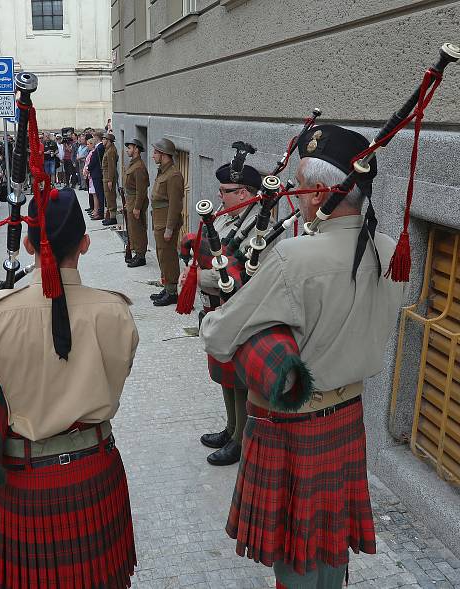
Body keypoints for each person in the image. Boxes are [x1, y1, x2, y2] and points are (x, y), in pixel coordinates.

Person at [201, 125, 405, 588]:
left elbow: (218, 335)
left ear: (317, 194)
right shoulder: (391, 250)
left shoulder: (295, 257)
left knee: (294, 558)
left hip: (289, 425)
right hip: (348, 415)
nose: (293, 192)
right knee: (330, 543)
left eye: (298, 184)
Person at [0, 187, 138, 589]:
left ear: (27, 243)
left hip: (24, 480)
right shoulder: (116, 311)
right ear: (85, 244)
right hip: (96, 470)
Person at [192, 160, 264, 467]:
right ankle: (231, 426)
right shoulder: (226, 219)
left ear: (246, 192)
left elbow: (239, 276)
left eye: (227, 190)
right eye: (220, 189)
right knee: (223, 371)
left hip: (240, 312)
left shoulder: (259, 229)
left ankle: (240, 439)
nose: (220, 196)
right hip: (218, 309)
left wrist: (197, 277)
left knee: (238, 376)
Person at [148, 138, 183, 307]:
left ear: (164, 155)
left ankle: (172, 292)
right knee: (162, 255)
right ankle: (167, 285)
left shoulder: (174, 175)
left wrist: (169, 228)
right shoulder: (163, 171)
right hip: (159, 221)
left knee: (168, 256)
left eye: (156, 152)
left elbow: (175, 205)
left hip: (166, 224)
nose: (153, 155)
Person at [123, 139, 150, 268]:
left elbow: (141, 190)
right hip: (131, 200)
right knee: (133, 228)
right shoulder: (133, 163)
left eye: (130, 148)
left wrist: (137, 207)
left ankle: (141, 256)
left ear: (136, 149)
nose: (128, 150)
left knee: (138, 229)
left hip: (136, 201)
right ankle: (137, 253)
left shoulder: (139, 167)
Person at [101, 133, 119, 226]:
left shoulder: (111, 151)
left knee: (110, 197)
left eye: (104, 139)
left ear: (108, 141)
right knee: (108, 197)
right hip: (106, 176)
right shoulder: (108, 150)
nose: (102, 141)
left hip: (109, 177)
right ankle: (110, 216)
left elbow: (111, 167)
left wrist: (110, 180)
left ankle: (113, 217)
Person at [87, 132, 106, 219]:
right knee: (98, 194)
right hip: (96, 173)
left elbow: (94, 161)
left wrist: (88, 168)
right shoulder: (99, 147)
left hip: (97, 173)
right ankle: (99, 211)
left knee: (99, 194)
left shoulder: (99, 147)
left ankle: (101, 212)